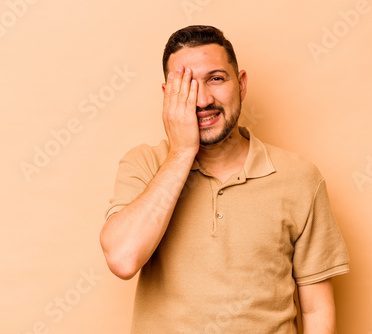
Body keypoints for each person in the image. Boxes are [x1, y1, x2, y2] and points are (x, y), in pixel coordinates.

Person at [100, 25, 349, 334]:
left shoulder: (299, 177)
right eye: (187, 85)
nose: (203, 100)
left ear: (241, 84)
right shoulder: (145, 164)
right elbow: (123, 259)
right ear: (168, 96)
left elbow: (316, 307)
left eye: (216, 79)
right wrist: (181, 153)